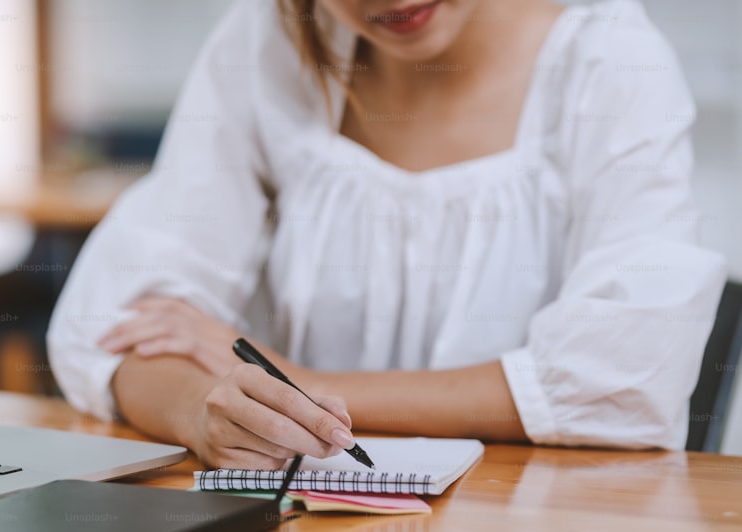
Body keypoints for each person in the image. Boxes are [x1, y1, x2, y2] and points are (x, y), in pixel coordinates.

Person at [47, 0, 726, 469]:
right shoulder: (268, 44)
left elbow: (622, 380)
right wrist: (205, 411)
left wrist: (300, 383)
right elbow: (119, 331)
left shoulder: (608, 60)